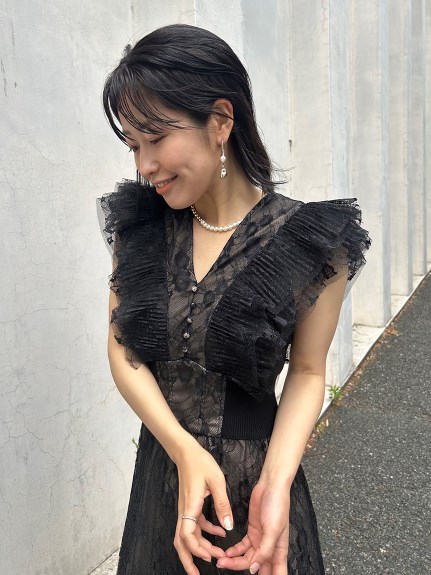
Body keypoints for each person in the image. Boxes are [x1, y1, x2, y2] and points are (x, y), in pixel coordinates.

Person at [96, 23, 371, 575]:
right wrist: (182, 449)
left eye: (156, 138)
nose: (144, 166)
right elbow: (123, 351)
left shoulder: (311, 241)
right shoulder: (140, 228)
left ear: (221, 120)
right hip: (163, 483)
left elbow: (308, 372)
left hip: (256, 493)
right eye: (133, 146)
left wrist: (277, 481)